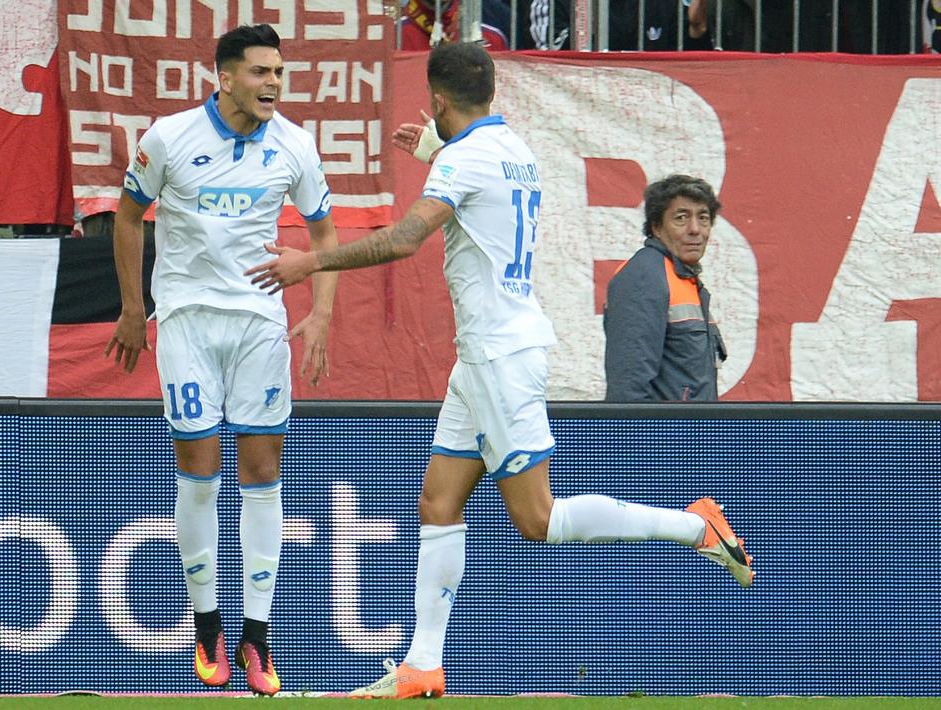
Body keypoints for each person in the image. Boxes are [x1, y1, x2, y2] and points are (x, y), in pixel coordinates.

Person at [245, 41, 753, 699]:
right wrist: (435, 151)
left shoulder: (465, 158)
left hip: (498, 356)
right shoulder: (512, 148)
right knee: (438, 499)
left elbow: (404, 238)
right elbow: (482, 197)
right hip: (487, 353)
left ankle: (696, 527)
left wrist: (308, 262)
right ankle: (423, 665)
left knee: (537, 519)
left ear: (437, 100)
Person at [104, 24, 339, 697]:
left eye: (278, 73)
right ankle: (206, 625)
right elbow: (127, 216)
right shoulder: (169, 139)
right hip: (185, 321)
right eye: (260, 72)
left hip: (260, 323)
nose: (273, 84)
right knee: (198, 471)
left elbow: (322, 233)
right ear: (225, 78)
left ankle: (256, 639)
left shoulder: (294, 144)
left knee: (263, 472)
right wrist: (130, 308)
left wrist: (319, 313)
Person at [603, 175, 727, 402]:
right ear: (656, 227)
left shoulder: (682, 277)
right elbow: (627, 390)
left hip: (692, 434)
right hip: (664, 436)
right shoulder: (644, 277)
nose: (695, 229)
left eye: (703, 218)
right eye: (681, 218)